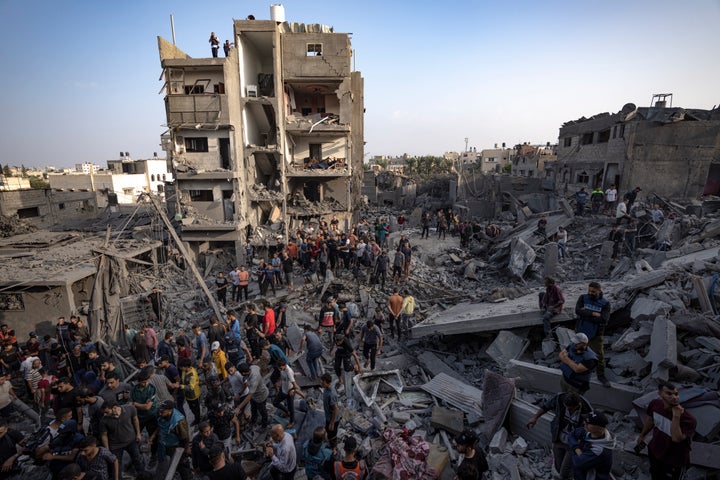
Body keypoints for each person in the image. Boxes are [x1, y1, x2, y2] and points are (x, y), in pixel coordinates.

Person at [636, 381, 696, 480]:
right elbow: (650, 420)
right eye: (669, 394)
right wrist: (642, 435)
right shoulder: (655, 404)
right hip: (655, 451)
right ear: (660, 394)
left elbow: (676, 438)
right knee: (655, 475)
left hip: (674, 460)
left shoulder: (688, 419)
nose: (674, 397)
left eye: (676, 394)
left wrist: (676, 416)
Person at [527, 392, 593, 480]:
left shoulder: (586, 410)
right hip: (559, 438)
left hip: (573, 444)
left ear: (577, 405)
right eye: (566, 407)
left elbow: (593, 428)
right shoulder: (559, 399)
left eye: (570, 408)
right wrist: (535, 417)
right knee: (558, 467)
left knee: (565, 472)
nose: (568, 410)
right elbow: (545, 407)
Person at [575, 282, 611, 387]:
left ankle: (601, 376)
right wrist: (592, 314)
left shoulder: (605, 304)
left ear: (599, 291)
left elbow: (603, 319)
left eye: (593, 292)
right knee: (579, 352)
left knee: (599, 355)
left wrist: (585, 313)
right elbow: (577, 311)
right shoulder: (583, 298)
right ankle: (578, 371)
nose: (591, 293)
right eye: (589, 291)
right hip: (581, 332)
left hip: (596, 334)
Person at [99, 400, 145, 479]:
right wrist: (107, 449)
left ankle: (142, 476)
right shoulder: (104, 420)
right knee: (116, 466)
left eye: (107, 412)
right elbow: (104, 435)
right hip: (115, 445)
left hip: (131, 441)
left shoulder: (130, 409)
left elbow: (135, 420)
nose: (105, 414)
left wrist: (138, 433)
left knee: (137, 458)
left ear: (114, 408)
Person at [568, 412, 615, 480]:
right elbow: (571, 435)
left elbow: (578, 462)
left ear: (600, 428)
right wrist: (577, 449)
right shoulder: (589, 431)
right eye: (585, 421)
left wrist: (574, 446)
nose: (585, 424)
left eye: (589, 423)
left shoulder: (600, 450)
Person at [152, 400, 191, 480]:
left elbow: (185, 437)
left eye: (163, 411)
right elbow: (160, 426)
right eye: (160, 410)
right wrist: (153, 436)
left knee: (181, 464)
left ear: (170, 410)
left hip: (175, 446)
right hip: (163, 443)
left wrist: (187, 448)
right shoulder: (161, 414)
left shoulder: (179, 421)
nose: (160, 412)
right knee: (162, 460)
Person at [273, 358, 305, 429]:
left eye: (280, 368)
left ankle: (292, 422)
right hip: (283, 389)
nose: (280, 369)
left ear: (284, 365)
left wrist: (291, 390)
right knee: (275, 402)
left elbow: (295, 385)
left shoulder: (289, 372)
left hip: (289, 393)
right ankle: (287, 412)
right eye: (279, 368)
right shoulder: (282, 370)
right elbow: (283, 378)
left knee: (291, 407)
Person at [236, 362, 269, 428]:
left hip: (261, 396)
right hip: (254, 396)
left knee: (263, 412)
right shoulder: (252, 367)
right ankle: (253, 421)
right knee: (253, 410)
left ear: (243, 373)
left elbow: (249, 396)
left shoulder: (254, 379)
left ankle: (264, 426)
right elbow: (259, 368)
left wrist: (239, 407)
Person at [319, 374, 339, 448]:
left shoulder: (331, 394)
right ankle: (329, 443)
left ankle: (334, 449)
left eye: (322, 382)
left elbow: (336, 409)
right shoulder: (326, 389)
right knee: (328, 430)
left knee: (332, 435)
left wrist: (332, 423)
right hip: (328, 417)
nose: (321, 383)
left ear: (327, 382)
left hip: (333, 419)